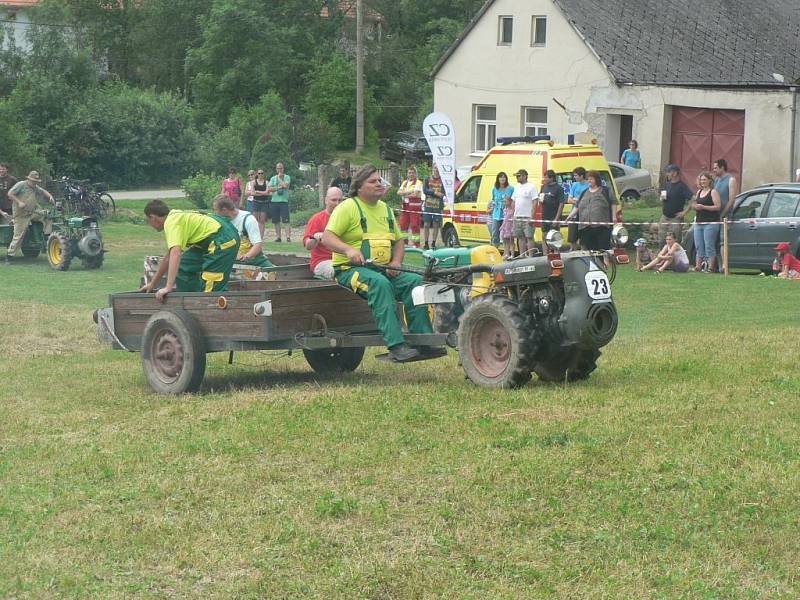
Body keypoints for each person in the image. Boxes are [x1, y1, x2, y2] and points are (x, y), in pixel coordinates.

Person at [322, 164, 445, 363]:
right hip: (350, 270)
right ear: (359, 187)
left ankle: (424, 341)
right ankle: (396, 346)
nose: (379, 184)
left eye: (380, 180)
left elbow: (398, 241)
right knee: (380, 284)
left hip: (383, 269)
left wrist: (396, 261)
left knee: (415, 282)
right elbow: (327, 237)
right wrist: (349, 250)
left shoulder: (385, 209)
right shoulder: (348, 207)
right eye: (373, 181)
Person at [139, 199, 240, 302]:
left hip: (222, 240)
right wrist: (153, 283)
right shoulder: (175, 216)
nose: (150, 225)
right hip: (210, 240)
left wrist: (168, 287)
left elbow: (176, 254)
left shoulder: (171, 223)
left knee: (211, 287)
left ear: (153, 217)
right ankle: (189, 301)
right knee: (183, 265)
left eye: (148, 221)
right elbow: (169, 257)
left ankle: (204, 306)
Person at [4, 170, 55, 264]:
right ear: (29, 179)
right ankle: (9, 256)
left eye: (36, 181)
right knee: (18, 236)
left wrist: (50, 197)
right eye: (33, 180)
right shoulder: (21, 185)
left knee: (47, 216)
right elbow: (10, 193)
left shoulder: (35, 187)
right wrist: (19, 202)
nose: (34, 182)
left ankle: (47, 236)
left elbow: (43, 191)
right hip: (21, 215)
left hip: (33, 212)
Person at [212, 194, 272, 268]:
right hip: (229, 262)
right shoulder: (219, 221)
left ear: (224, 210)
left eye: (216, 210)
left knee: (272, 272)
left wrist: (245, 257)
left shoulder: (248, 219)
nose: (215, 213)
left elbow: (258, 246)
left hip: (253, 261)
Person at [303, 186, 343, 279]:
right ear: (326, 200)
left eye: (340, 200)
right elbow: (308, 246)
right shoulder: (317, 219)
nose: (337, 203)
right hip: (323, 261)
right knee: (337, 271)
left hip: (344, 259)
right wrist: (315, 238)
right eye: (333, 200)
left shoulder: (348, 218)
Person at [576, 170, 617, 252]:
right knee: (591, 250)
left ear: (596, 180)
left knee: (603, 249)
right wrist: (569, 217)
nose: (589, 181)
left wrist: (614, 217)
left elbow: (614, 202)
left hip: (602, 226)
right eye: (588, 179)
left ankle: (605, 264)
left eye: (591, 179)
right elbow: (577, 206)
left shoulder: (606, 190)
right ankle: (593, 264)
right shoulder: (584, 192)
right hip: (586, 227)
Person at [690, 171, 721, 272]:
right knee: (699, 245)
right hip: (699, 222)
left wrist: (703, 207)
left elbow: (717, 207)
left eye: (704, 180)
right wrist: (695, 206)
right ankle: (698, 266)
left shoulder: (713, 192)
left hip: (710, 223)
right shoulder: (699, 192)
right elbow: (694, 203)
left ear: (709, 181)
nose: (702, 182)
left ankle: (711, 267)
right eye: (701, 180)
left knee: (709, 245)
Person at [659, 164, 693, 244]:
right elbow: (663, 197)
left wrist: (685, 212)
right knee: (661, 240)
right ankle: (662, 256)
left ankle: (675, 256)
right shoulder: (667, 184)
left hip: (676, 219)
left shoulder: (682, 186)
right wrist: (662, 198)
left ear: (674, 173)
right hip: (664, 217)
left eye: (668, 172)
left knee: (675, 241)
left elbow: (692, 198)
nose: (667, 174)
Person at [511, 168, 538, 256]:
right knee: (520, 237)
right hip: (517, 216)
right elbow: (513, 201)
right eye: (517, 176)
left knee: (529, 236)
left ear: (524, 176)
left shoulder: (531, 186)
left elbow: (535, 201)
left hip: (527, 216)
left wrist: (532, 216)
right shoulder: (516, 187)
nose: (517, 178)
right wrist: (513, 214)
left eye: (518, 176)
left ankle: (531, 255)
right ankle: (522, 255)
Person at [397, 166, 424, 247]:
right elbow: (398, 192)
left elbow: (416, 194)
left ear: (415, 174)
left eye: (412, 173)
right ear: (407, 174)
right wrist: (410, 191)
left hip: (414, 207)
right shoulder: (405, 182)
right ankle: (404, 243)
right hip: (405, 206)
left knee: (415, 225)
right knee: (403, 224)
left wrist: (404, 193)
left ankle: (416, 244)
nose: (411, 174)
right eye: (409, 173)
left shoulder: (418, 182)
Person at [540, 169, 565, 248]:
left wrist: (557, 218)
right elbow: (541, 199)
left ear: (552, 178)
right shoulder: (543, 187)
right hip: (545, 215)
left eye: (546, 177)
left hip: (554, 216)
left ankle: (555, 253)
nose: (545, 179)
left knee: (554, 236)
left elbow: (561, 204)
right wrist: (541, 200)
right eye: (544, 177)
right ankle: (545, 254)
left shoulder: (559, 188)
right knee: (544, 235)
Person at [422, 164, 445, 249]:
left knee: (436, 224)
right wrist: (435, 193)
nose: (436, 170)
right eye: (435, 168)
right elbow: (425, 190)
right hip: (428, 204)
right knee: (426, 224)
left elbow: (442, 194)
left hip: (438, 205)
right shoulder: (427, 179)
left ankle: (434, 243)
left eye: (438, 168)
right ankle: (426, 243)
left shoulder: (442, 180)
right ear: (432, 169)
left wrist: (436, 194)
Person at [487, 172, 513, 247]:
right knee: (495, 233)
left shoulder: (511, 188)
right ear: (498, 179)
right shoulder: (494, 189)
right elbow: (492, 200)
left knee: (506, 235)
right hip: (496, 214)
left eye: (504, 177)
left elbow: (513, 201)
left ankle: (507, 252)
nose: (502, 178)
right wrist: (492, 206)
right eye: (500, 177)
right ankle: (495, 249)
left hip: (507, 214)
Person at [566, 167, 590, 246]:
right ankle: (573, 251)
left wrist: (579, 202)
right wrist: (577, 202)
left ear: (582, 176)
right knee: (572, 236)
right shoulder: (574, 184)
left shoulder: (588, 185)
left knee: (583, 236)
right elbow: (569, 199)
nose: (574, 177)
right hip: (574, 213)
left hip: (585, 214)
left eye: (576, 175)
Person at [268, 162, 291, 242]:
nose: (279, 170)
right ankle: (278, 237)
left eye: (281, 168)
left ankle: (288, 237)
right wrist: (278, 187)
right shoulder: (272, 178)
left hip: (283, 201)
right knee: (276, 220)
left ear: (283, 168)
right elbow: (269, 189)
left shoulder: (287, 177)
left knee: (286, 220)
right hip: (274, 201)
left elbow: (285, 186)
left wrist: (280, 179)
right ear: (276, 169)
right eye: (278, 168)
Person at [251, 168, 271, 239]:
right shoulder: (253, 182)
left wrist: (258, 192)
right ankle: (254, 236)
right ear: (257, 174)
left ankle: (261, 237)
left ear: (264, 174)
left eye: (262, 173)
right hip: (256, 202)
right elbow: (252, 193)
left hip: (264, 203)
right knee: (255, 220)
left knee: (262, 220)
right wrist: (262, 193)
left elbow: (267, 193)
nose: (260, 175)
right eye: (259, 173)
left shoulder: (267, 182)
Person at [500, 192, 515, 259]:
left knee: (511, 241)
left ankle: (512, 254)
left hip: (510, 227)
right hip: (505, 227)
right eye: (503, 201)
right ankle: (507, 253)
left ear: (510, 201)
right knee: (505, 241)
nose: (504, 203)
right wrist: (502, 226)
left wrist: (513, 228)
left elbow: (512, 219)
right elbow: (504, 219)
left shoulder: (512, 210)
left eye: (505, 201)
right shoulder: (505, 209)